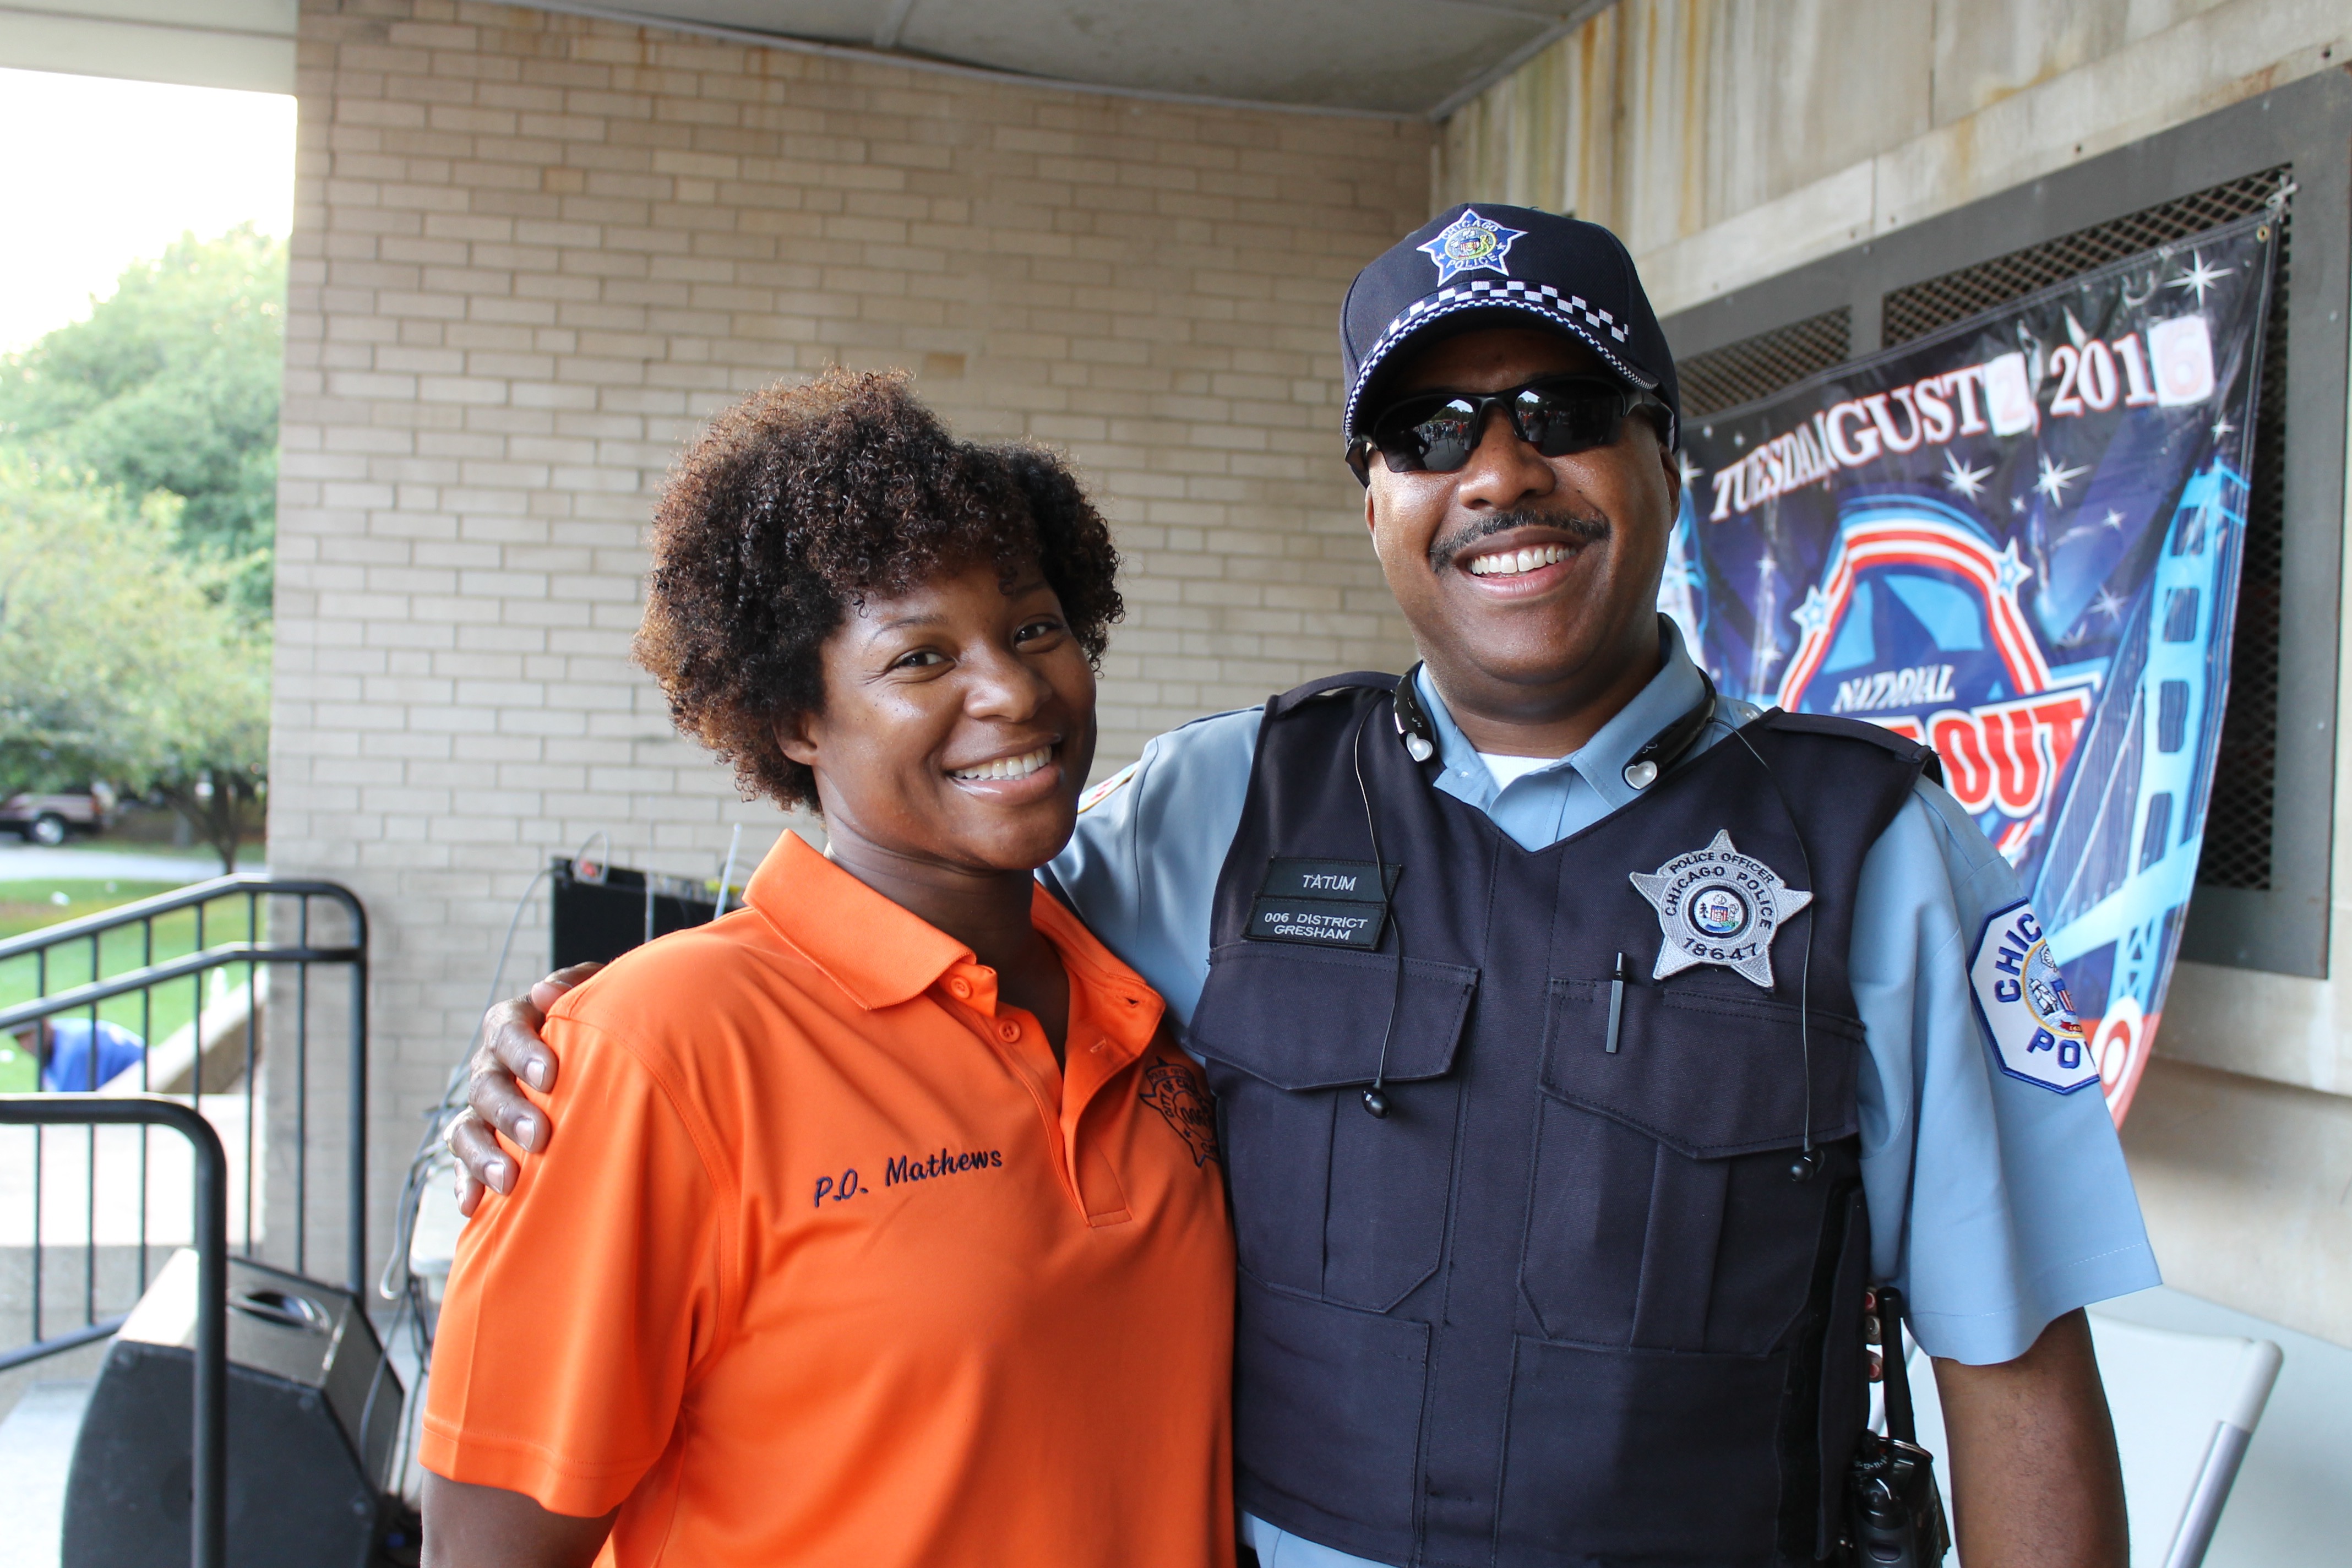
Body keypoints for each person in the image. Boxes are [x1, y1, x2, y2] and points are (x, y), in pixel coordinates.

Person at [454, 208, 2153, 1568]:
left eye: (1559, 413)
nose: (1497, 473)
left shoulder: (1879, 852)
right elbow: (893, 939)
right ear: (1373, 502)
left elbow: (2010, 1362)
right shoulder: (1223, 807)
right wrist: (565, 1062)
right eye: (1429, 431)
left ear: (1659, 454)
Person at [419, 370, 1236, 1568]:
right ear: (797, 716)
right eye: (919, 657)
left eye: (1033, 627)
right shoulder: (650, 1050)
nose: (1010, 689)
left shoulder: (1150, 997)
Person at [17, 1016, 146, 1092]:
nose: (26, 1045)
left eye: (30, 1036)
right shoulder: (58, 1040)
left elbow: (74, 1116)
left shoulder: (73, 1051)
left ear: (45, 1024)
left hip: (150, 1085)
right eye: (19, 1039)